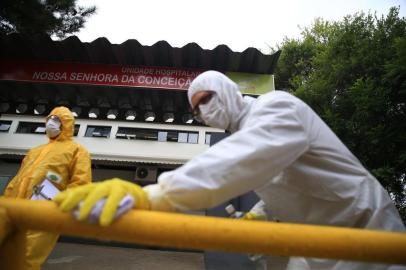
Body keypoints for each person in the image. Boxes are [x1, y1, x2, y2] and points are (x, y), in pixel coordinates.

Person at [54, 71, 405, 269]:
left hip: (368, 233)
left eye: (207, 98)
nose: (204, 111)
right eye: (197, 109)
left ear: (228, 89)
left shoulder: (276, 106)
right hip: (319, 246)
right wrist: (260, 215)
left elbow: (246, 160)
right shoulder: (251, 131)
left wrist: (153, 195)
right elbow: (285, 180)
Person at [4, 106, 92, 270]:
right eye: (50, 119)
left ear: (66, 124)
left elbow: (81, 183)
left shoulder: (78, 151)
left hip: (44, 212)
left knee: (27, 256)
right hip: (14, 209)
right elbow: (18, 179)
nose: (51, 123)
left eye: (57, 120)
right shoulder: (34, 151)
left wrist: (60, 207)